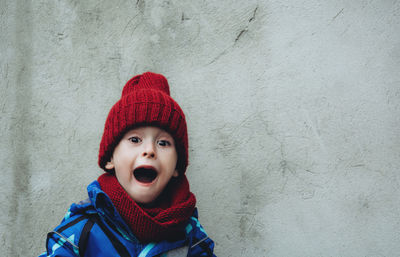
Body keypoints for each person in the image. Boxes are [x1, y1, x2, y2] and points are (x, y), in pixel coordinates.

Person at [39, 72, 216, 256]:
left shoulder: (191, 235)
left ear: (177, 167)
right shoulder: (82, 230)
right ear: (110, 159)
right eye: (134, 139)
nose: (149, 150)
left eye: (163, 143)